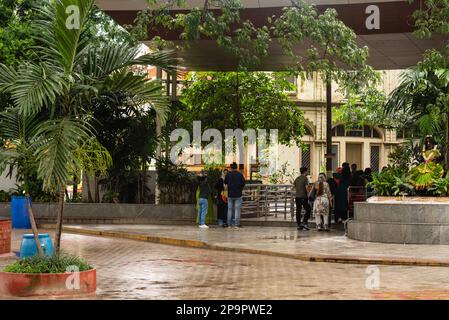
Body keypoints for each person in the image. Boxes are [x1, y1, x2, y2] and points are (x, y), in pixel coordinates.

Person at [224, 162, 246, 229]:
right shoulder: (240, 175)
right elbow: (243, 184)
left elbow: (225, 183)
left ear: (231, 168)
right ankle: (236, 225)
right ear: (237, 167)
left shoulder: (228, 174)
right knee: (237, 210)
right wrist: (240, 189)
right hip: (238, 194)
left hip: (230, 194)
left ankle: (229, 224)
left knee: (229, 209)